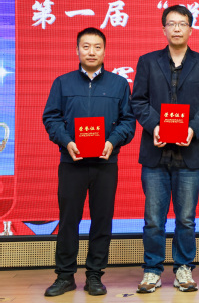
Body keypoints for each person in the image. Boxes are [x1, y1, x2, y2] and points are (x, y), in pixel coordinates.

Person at [131, 5, 199, 293]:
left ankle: (184, 267)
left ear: (191, 29)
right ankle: (152, 270)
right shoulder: (147, 62)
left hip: (189, 154)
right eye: (172, 23)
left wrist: (192, 129)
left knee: (185, 219)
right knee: (153, 220)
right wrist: (154, 126)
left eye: (183, 23)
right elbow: (138, 101)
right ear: (164, 29)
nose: (177, 28)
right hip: (155, 153)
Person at [42, 27, 136, 297]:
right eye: (86, 46)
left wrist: (112, 141)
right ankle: (64, 276)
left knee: (102, 220)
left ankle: (95, 275)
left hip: (105, 164)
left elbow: (128, 120)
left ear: (105, 51)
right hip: (72, 162)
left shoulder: (119, 84)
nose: (91, 52)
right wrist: (67, 142)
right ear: (77, 50)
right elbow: (51, 117)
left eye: (97, 47)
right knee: (68, 220)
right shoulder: (63, 83)